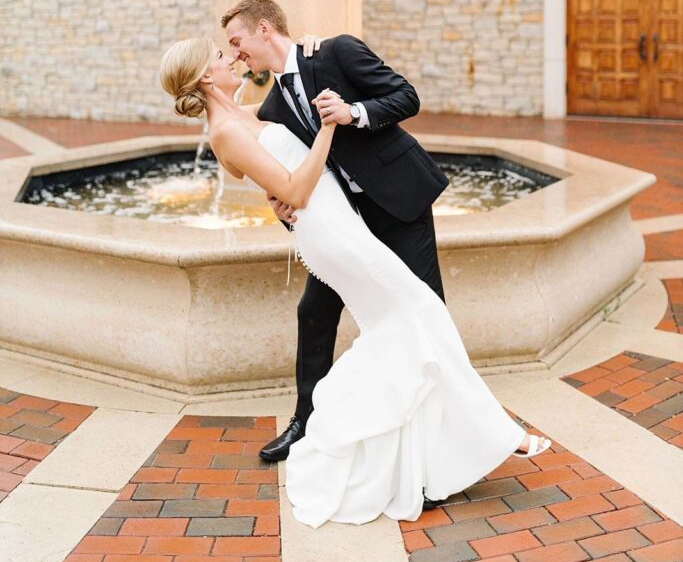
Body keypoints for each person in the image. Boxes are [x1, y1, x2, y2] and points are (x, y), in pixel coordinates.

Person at [160, 34, 551, 529]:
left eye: (232, 47)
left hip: (343, 223)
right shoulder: (224, 131)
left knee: (409, 323)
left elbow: (281, 149)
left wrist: (314, 75)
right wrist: (324, 132)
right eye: (220, 56)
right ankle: (494, 434)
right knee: (417, 315)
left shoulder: (249, 112)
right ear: (204, 78)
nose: (231, 57)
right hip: (331, 234)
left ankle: (390, 441)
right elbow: (295, 189)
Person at [220, 0, 448, 468]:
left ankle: (438, 440)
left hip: (399, 203)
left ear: (265, 29)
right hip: (345, 223)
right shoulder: (271, 105)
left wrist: (353, 113)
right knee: (314, 313)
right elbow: (294, 172)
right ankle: (305, 423)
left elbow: (407, 97)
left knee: (426, 313)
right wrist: (281, 205)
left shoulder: (336, 52)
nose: (237, 54)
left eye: (238, 42)